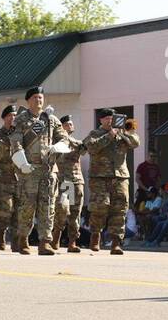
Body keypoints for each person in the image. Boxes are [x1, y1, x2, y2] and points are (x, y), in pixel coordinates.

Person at [14, 87, 66, 255]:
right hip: (29, 170)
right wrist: (22, 162)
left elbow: (63, 137)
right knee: (27, 206)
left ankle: (45, 242)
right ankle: (23, 239)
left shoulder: (51, 119)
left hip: (49, 169)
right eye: (35, 97)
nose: (39, 100)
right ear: (28, 101)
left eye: (41, 97)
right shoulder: (21, 119)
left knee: (48, 206)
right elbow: (16, 141)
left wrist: (57, 147)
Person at [84, 109, 141, 254]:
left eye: (113, 119)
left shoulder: (122, 134)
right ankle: (95, 236)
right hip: (100, 177)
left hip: (120, 177)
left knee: (120, 209)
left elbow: (136, 143)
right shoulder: (94, 134)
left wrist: (124, 133)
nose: (111, 121)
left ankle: (116, 242)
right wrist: (109, 135)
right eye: (108, 119)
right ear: (101, 120)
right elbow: (91, 147)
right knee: (99, 207)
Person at [0, 105, 21, 251]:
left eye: (15, 115)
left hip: (19, 178)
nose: (14, 118)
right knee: (5, 210)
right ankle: (2, 233)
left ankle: (15, 240)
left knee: (19, 211)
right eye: (11, 115)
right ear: (4, 118)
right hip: (4, 179)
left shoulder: (21, 133)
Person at [53, 115, 86, 252]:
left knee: (75, 213)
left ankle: (72, 242)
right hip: (65, 183)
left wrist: (70, 139)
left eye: (71, 123)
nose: (71, 125)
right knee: (62, 211)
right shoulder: (59, 143)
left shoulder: (76, 142)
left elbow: (84, 148)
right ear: (62, 127)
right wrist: (66, 138)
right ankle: (56, 240)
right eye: (68, 124)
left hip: (77, 181)